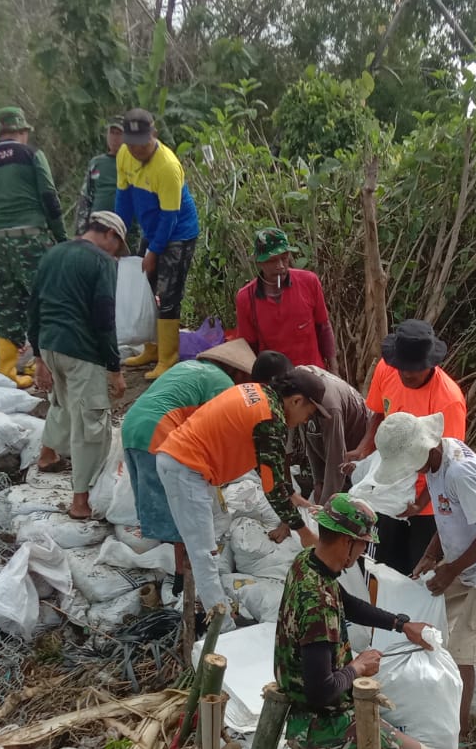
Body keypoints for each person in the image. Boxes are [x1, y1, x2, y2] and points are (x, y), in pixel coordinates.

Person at [371, 412, 476, 745]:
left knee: (462, 654)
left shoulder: (460, 472)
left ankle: (459, 734)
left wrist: (451, 569)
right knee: (431, 613)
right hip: (463, 557)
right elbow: (447, 514)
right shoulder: (438, 460)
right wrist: (431, 555)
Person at [275, 494, 438, 749]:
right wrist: (358, 667)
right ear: (346, 542)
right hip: (322, 722)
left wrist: (401, 624)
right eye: (363, 543)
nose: (364, 551)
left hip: (309, 710)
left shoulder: (307, 562)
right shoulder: (318, 605)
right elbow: (321, 691)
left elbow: (346, 603)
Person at [154, 368, 327, 622]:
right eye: (308, 414)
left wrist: (290, 494)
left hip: (187, 461)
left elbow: (269, 468)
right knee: (203, 553)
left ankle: (214, 609)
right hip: (186, 468)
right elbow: (271, 488)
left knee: (210, 544)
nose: (304, 421)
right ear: (296, 400)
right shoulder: (270, 419)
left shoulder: (258, 393)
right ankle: (221, 629)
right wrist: (305, 533)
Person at [120, 343, 284, 596]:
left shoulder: (189, 367)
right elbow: (222, 432)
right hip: (158, 432)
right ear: (238, 373)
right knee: (180, 511)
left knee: (161, 502)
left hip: (133, 426)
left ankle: (180, 572)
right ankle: (182, 577)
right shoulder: (221, 382)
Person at [28, 211, 129, 519]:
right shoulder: (101, 262)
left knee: (61, 401)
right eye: (117, 245)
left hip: (50, 345)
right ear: (110, 234)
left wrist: (37, 356)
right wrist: (114, 367)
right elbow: (103, 318)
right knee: (90, 422)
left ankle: (47, 455)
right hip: (82, 352)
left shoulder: (53, 253)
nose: (115, 252)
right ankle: (80, 501)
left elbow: (34, 304)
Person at [348, 318, 468, 574]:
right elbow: (379, 414)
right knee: (378, 564)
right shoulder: (386, 369)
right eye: (402, 367)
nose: (407, 374)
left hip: (427, 500)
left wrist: (419, 503)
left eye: (414, 368)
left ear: (430, 364)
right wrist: (363, 450)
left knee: (414, 571)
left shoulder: (448, 401)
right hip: (389, 486)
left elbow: (448, 462)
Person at [0, 106, 67, 389]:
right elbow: (50, 198)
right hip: (32, 239)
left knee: (6, 305)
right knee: (47, 302)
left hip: (1, 243)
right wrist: (62, 239)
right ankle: (52, 371)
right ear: (22, 132)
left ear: (1, 133)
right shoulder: (31, 155)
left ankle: (7, 373)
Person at [115, 107, 200, 381]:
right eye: (131, 143)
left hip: (178, 232)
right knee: (147, 289)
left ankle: (168, 358)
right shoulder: (124, 155)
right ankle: (151, 348)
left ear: (154, 134)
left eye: (142, 143)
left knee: (167, 294)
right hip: (152, 230)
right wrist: (118, 234)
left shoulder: (167, 166)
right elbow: (124, 199)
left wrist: (154, 251)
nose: (136, 149)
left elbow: (170, 217)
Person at [233, 227, 335, 369]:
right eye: (272, 261)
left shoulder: (309, 282)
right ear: (259, 263)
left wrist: (334, 371)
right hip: (276, 381)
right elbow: (248, 346)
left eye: (284, 258)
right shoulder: (246, 298)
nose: (280, 266)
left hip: (314, 375)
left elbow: (324, 326)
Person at [295, 365, 369, 504]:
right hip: (342, 447)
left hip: (360, 447)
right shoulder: (298, 387)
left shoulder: (330, 410)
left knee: (355, 501)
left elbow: (336, 458)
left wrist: (324, 505)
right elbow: (312, 435)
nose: (305, 420)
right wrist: (318, 481)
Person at [77, 117, 127, 235]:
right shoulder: (96, 163)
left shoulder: (133, 163)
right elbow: (86, 197)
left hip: (123, 226)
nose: (114, 138)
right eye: (112, 133)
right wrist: (80, 231)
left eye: (119, 134)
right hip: (97, 226)